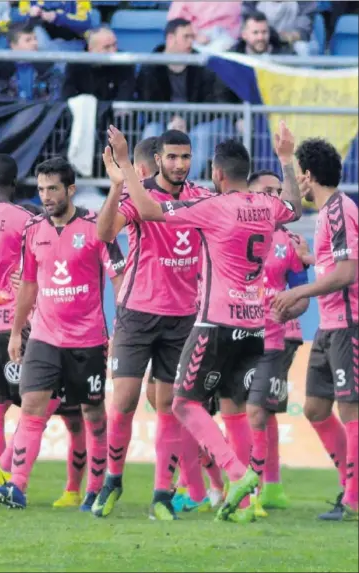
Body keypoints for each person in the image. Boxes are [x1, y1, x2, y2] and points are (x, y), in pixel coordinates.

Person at [106, 121, 302, 523]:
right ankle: (245, 503)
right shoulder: (267, 206)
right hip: (254, 325)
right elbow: (295, 207)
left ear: (214, 173)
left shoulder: (211, 205)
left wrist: (125, 164)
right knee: (234, 407)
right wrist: (286, 160)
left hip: (214, 322)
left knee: (182, 403)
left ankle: (236, 475)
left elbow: (148, 210)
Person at [0, 157, 125, 511]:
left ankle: (94, 489)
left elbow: (119, 279)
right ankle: (16, 486)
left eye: (53, 189)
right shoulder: (33, 230)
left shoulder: (97, 227)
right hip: (44, 337)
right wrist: (17, 332)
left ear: (71, 190)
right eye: (42, 189)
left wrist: (124, 325)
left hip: (88, 339)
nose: (46, 196)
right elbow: (28, 285)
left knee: (92, 414)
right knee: (32, 409)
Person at [92, 129, 213, 520]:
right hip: (137, 313)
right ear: (158, 159)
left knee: (170, 405)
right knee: (124, 401)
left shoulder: (202, 197)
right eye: (172, 157)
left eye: (185, 156)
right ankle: (112, 481)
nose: (179, 164)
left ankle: (162, 494)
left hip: (183, 318)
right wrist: (115, 186)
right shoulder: (138, 193)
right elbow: (105, 233)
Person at [273, 138, 358, 522]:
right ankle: (352, 486)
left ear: (307, 176)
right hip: (328, 325)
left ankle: (354, 500)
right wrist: (312, 261)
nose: (298, 186)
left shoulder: (341, 210)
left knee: (351, 410)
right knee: (315, 408)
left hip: (349, 324)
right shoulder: (327, 213)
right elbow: (334, 265)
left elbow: (348, 272)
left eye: (297, 177)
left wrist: (300, 289)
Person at [245, 169, 310, 510]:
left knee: (259, 411)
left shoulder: (290, 240)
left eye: (277, 190)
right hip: (237, 332)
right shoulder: (233, 232)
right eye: (265, 191)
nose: (273, 197)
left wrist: (287, 311)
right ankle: (266, 486)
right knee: (250, 412)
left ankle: (262, 487)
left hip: (280, 336)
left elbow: (303, 293)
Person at [0, 154, 33, 497]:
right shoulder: (26, 220)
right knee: (41, 403)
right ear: (15, 183)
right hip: (12, 323)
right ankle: (3, 477)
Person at [137, 18, 225, 180]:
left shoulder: (202, 64)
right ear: (170, 38)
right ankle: (154, 183)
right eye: (186, 37)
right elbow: (147, 104)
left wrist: (187, 122)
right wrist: (171, 121)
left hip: (196, 121)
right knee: (151, 131)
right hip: (163, 121)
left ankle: (185, 184)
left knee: (202, 134)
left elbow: (212, 101)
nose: (191, 42)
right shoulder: (151, 66)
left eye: (193, 37)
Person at [61, 26, 136, 102]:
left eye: (114, 44)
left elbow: (125, 97)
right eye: (107, 47)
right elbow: (67, 96)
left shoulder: (124, 61)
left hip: (114, 111)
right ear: (91, 49)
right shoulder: (75, 64)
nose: (113, 51)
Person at [242, 1, 318, 56]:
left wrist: (293, 35)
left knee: (302, 47)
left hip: (290, 41)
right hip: (261, 37)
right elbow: (249, 19)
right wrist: (269, 35)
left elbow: (304, 28)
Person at [167, 1, 242, 52]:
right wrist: (195, 36)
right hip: (195, 37)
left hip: (229, 38)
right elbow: (175, 21)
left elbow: (240, 20)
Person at [230, 11, 296, 55]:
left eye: (264, 32)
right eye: (255, 33)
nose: (260, 37)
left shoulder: (286, 54)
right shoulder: (232, 57)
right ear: (244, 35)